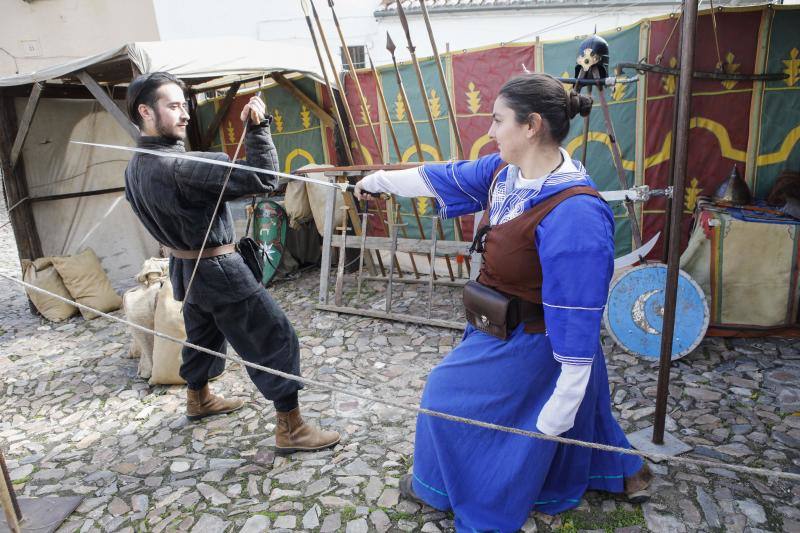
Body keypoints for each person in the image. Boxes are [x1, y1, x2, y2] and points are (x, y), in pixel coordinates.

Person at [354, 72, 652, 531]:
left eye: (498, 121)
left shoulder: (575, 212)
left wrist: (564, 397)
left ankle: (456, 488)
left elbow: (577, 318)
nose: (490, 132)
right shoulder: (504, 174)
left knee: (444, 395)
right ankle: (623, 469)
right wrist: (378, 180)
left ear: (531, 125)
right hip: (498, 323)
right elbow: (441, 176)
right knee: (583, 411)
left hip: (539, 342)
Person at [124, 72, 339, 455]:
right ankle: (291, 427)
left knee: (203, 336)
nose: (185, 113)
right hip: (217, 270)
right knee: (275, 335)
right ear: (145, 111)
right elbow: (262, 177)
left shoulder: (134, 169)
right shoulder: (181, 167)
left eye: (184, 104)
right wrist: (259, 128)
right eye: (173, 106)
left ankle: (199, 397)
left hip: (186, 270)